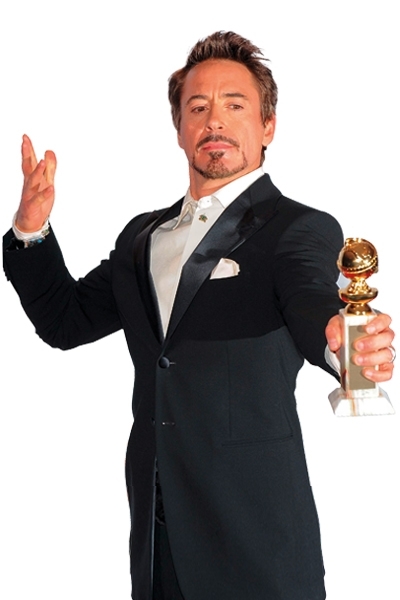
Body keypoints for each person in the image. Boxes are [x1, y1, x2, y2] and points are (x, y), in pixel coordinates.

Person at [3, 31, 395, 600]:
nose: (215, 120)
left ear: (268, 125)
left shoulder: (298, 227)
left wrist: (342, 345)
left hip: (256, 541)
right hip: (157, 538)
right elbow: (65, 321)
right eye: (197, 107)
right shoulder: (141, 237)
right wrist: (30, 230)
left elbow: (310, 297)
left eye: (235, 105)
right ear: (180, 128)